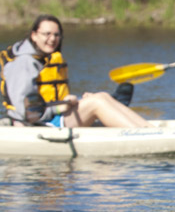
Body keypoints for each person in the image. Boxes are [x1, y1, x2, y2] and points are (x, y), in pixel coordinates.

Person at [0, 14, 152, 128]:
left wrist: (74, 102)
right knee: (96, 103)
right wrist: (58, 108)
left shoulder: (36, 58)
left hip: (49, 117)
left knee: (102, 96)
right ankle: (146, 137)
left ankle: (148, 130)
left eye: (56, 35)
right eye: (47, 34)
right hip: (39, 125)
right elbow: (27, 112)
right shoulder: (24, 62)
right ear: (34, 35)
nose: (52, 39)